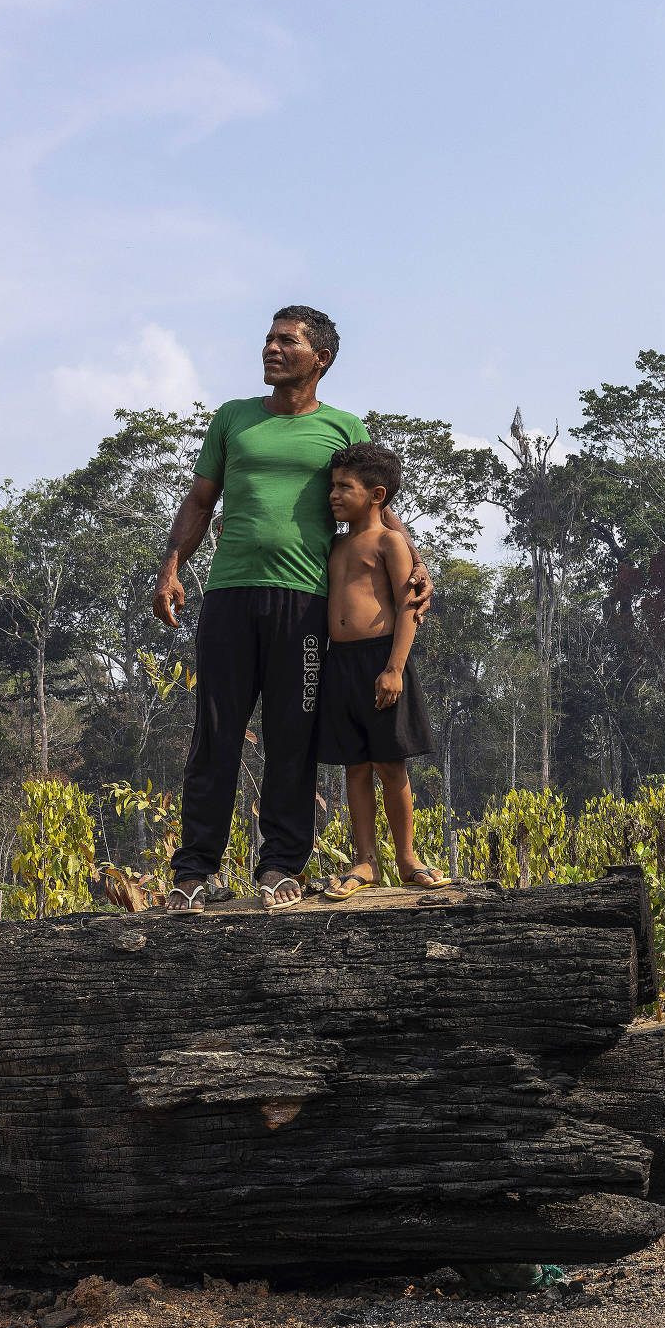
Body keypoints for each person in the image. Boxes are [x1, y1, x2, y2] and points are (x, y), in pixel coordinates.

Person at [150, 306, 426, 911]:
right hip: (229, 595)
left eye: (287, 341)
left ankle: (279, 868)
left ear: (319, 358)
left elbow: (375, 509)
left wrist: (414, 559)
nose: (271, 348)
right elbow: (200, 502)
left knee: (291, 736)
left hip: (303, 602)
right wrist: (172, 566)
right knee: (215, 734)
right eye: (269, 339)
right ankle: (193, 872)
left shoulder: (344, 427)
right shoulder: (233, 420)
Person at [315, 442, 450, 899]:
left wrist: (394, 668)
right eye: (331, 485)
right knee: (355, 767)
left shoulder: (390, 542)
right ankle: (364, 860)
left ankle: (408, 857)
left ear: (376, 495)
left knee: (390, 765)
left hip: (381, 661)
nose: (333, 495)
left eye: (343, 487)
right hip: (340, 664)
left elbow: (409, 607)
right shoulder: (333, 543)